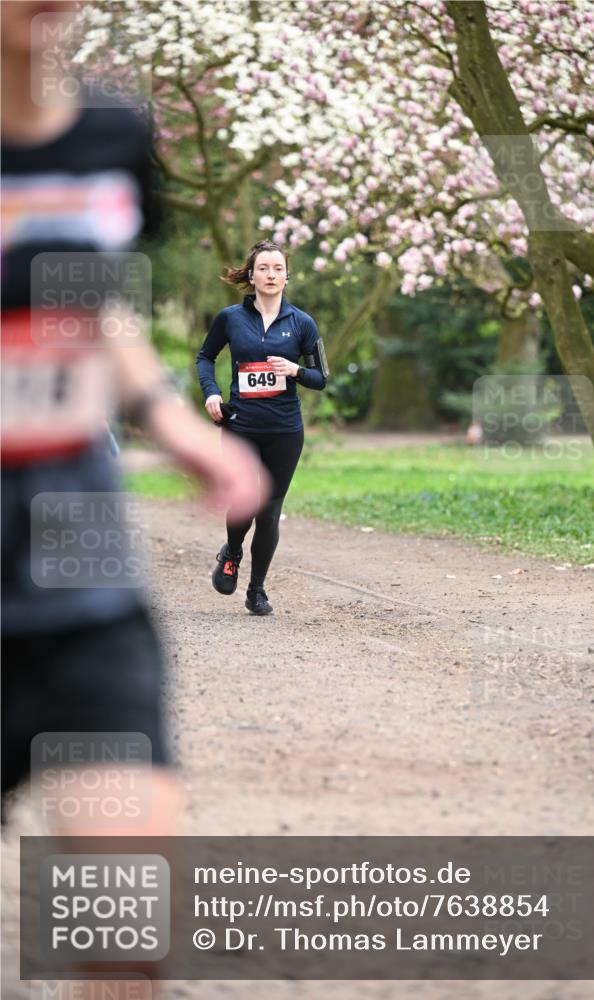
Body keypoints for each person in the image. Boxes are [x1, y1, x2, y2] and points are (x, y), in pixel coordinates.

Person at [1, 0, 268, 831]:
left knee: (128, 900)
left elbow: (86, 299)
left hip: (77, 559)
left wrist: (173, 420)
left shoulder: (112, 137)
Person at [196, 240, 328, 615]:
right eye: (264, 268)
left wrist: (296, 370)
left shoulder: (302, 323)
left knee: (268, 511)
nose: (271, 275)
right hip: (241, 425)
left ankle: (257, 589)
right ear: (251, 275)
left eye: (278, 269)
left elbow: (321, 377)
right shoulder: (230, 319)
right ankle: (232, 551)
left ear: (287, 277)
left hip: (285, 430)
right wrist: (211, 394)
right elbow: (206, 357)